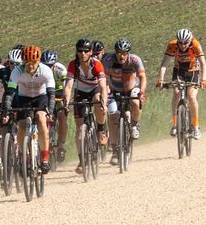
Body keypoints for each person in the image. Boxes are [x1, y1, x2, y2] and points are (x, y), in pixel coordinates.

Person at [3, 45, 56, 174]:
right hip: (24, 98)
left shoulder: (45, 71)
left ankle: (44, 158)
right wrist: (7, 109)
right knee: (21, 126)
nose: (30, 66)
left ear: (38, 61)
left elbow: (51, 94)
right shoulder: (17, 71)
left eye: (33, 63)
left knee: (41, 119)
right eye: (27, 63)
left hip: (41, 97)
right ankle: (23, 156)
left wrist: (50, 110)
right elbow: (10, 92)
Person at [64, 38, 110, 175]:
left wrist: (104, 103)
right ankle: (81, 160)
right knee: (79, 129)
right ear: (77, 52)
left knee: (98, 102)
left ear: (90, 52)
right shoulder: (73, 65)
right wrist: (66, 101)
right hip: (80, 92)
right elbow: (68, 85)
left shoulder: (96, 64)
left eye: (86, 51)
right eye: (80, 51)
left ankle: (101, 129)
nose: (83, 54)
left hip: (94, 90)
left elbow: (102, 86)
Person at [157, 28, 206, 139]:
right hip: (179, 70)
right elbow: (164, 63)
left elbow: (203, 64)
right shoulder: (172, 45)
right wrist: (160, 80)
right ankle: (175, 124)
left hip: (193, 71)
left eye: (185, 43)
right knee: (176, 93)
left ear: (190, 41)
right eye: (180, 43)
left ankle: (196, 126)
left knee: (191, 96)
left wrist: (204, 80)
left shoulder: (195, 44)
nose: (183, 45)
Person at [105, 38, 146, 157]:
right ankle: (114, 149)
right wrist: (106, 92)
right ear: (115, 52)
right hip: (114, 90)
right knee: (113, 117)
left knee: (135, 101)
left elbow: (142, 76)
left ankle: (134, 124)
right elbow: (105, 80)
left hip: (132, 88)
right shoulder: (109, 60)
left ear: (128, 53)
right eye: (119, 53)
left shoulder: (134, 59)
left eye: (124, 53)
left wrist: (142, 92)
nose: (121, 56)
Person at [42, 49, 69, 160]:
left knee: (62, 116)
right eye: (45, 65)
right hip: (46, 93)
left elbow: (66, 86)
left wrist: (65, 101)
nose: (48, 67)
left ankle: (61, 145)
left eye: (50, 65)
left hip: (58, 93)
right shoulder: (40, 70)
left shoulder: (60, 70)